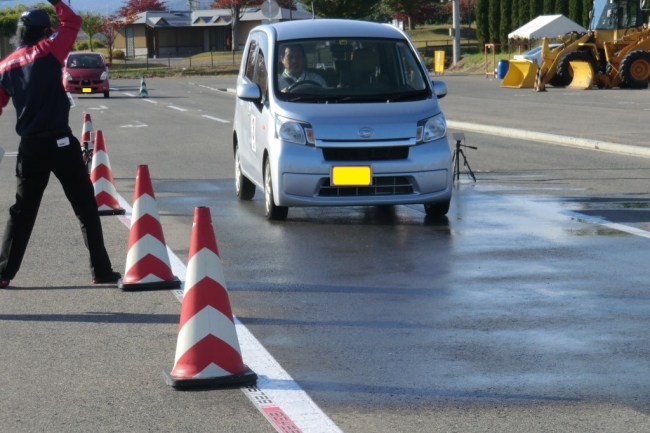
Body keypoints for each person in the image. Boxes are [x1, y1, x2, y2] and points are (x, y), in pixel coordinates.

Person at [0, 1, 121, 288]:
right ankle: (101, 270)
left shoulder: (5, 65)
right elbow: (73, 22)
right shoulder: (49, 50)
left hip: (28, 147)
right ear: (44, 31)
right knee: (84, 207)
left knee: (22, 212)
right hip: (60, 142)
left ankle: (3, 272)